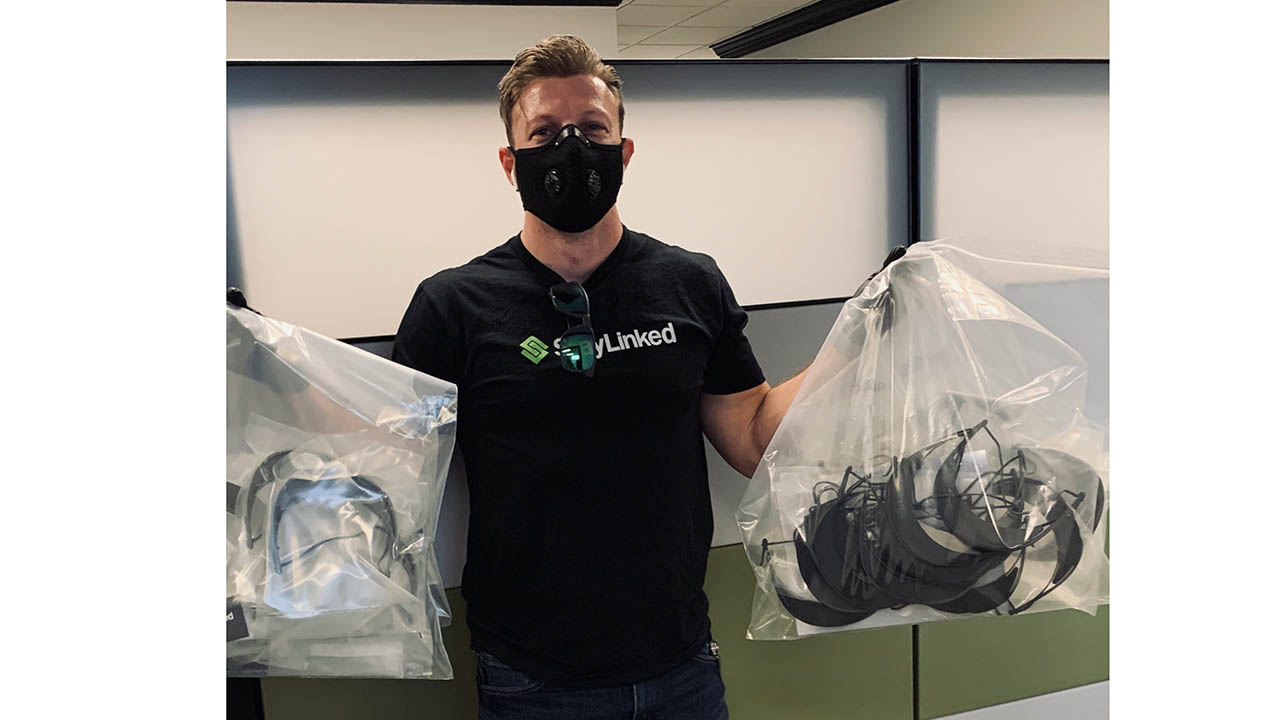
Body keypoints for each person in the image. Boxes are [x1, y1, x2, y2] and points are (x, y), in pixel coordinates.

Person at [391, 35, 812, 720]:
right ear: (510, 161)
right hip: (531, 676)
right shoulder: (453, 306)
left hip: (681, 664)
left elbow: (755, 438)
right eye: (545, 132)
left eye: (591, 129)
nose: (571, 148)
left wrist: (865, 332)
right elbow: (392, 459)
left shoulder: (689, 283)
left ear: (624, 149)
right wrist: (257, 355)